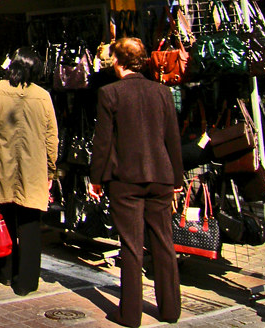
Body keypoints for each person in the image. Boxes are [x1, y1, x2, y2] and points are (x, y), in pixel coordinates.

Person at [90, 37, 183, 328]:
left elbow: (103, 141)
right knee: (164, 243)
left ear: (118, 62)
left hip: (126, 179)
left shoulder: (109, 93)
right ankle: (170, 309)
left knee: (131, 246)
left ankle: (130, 314)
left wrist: (96, 178)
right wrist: (177, 178)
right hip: (161, 175)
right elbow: (173, 138)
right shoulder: (162, 92)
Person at [0, 47, 58, 296]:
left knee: (5, 218)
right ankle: (27, 281)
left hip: (1, 165)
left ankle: (6, 271)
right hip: (33, 169)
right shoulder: (43, 96)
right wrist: (51, 170)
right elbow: (51, 137)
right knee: (30, 224)